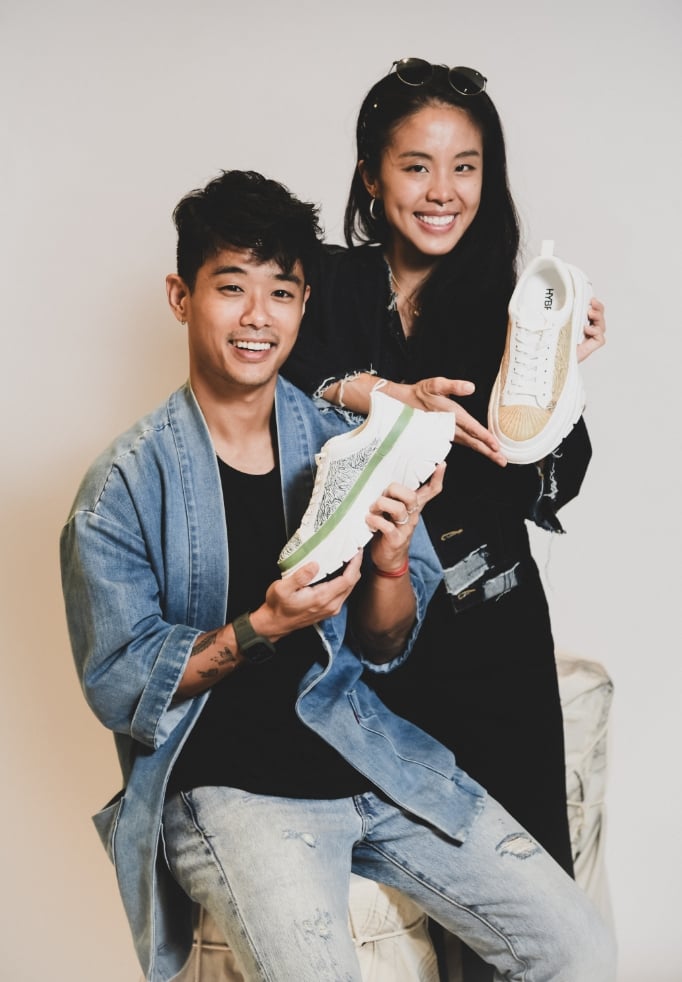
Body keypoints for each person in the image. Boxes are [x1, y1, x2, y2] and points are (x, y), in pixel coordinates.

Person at [60, 169, 614, 982]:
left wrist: (390, 563)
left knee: (579, 947)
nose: (258, 316)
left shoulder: (351, 443)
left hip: (368, 756)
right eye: (231, 288)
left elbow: (386, 645)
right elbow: (118, 684)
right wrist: (262, 628)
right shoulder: (122, 487)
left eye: (281, 293)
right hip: (230, 793)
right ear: (182, 297)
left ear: (304, 303)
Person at [282, 60, 607, 979]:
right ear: (371, 176)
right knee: (386, 929)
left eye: (466, 166)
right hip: (362, 643)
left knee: (528, 917)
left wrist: (554, 384)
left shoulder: (513, 303)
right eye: (416, 165)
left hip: (494, 637)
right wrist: (374, 392)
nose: (442, 191)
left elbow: (548, 483)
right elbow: (260, 369)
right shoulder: (321, 285)